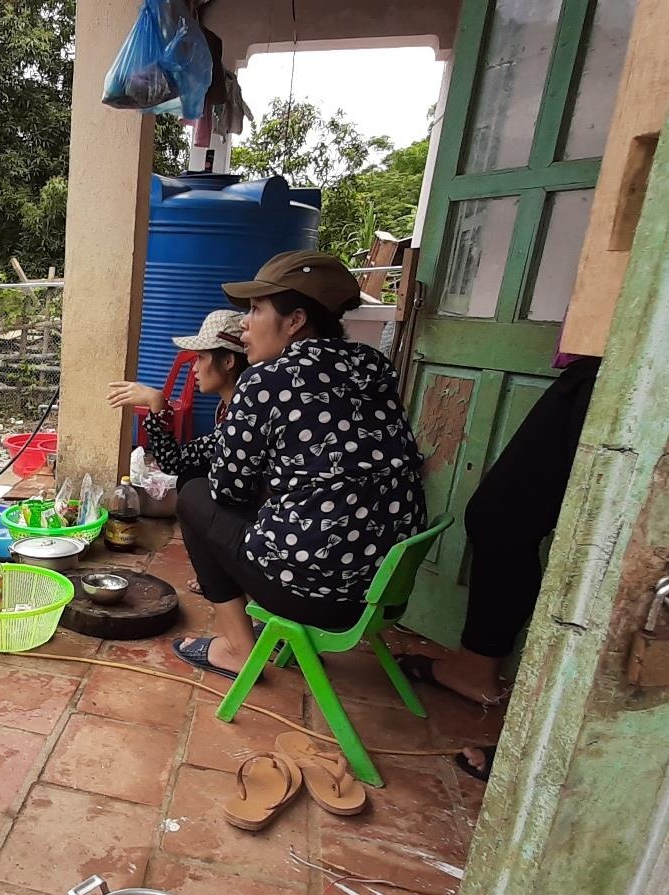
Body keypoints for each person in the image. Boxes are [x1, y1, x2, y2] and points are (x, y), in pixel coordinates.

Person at [170, 251, 425, 680]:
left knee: (194, 493)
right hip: (383, 586)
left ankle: (236, 647)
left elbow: (227, 490)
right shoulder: (371, 364)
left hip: (315, 592)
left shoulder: (265, 379)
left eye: (256, 309)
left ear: (295, 321)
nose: (245, 323)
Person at [402, 348, 602, 781]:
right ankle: (475, 667)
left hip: (645, 363)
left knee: (603, 545)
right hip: (595, 361)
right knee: (500, 516)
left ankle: (560, 745)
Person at [105, 308, 249, 484]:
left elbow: (174, 462)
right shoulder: (227, 408)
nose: (194, 368)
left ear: (228, 361)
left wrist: (156, 402)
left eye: (201, 357)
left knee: (191, 484)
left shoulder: (242, 416)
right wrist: (158, 403)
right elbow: (176, 461)